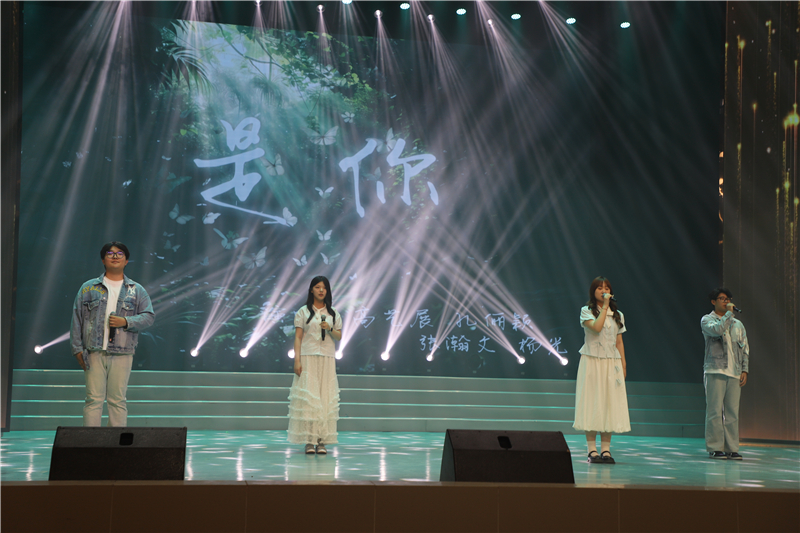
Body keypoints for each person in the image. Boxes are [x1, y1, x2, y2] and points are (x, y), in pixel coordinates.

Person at [70, 242, 155, 427]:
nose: (115, 256)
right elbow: (77, 318)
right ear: (103, 260)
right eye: (110, 253)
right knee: (93, 399)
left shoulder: (136, 289)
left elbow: (149, 317)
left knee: (117, 400)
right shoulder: (88, 288)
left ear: (126, 260)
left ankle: (116, 443)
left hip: (123, 352)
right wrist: (77, 348)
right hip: (93, 351)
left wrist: (125, 321)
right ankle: (91, 441)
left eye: (120, 253)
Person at [573, 276, 630, 464]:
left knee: (609, 403)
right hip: (592, 361)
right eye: (599, 288)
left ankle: (606, 449)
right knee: (592, 402)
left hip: (611, 362)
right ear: (593, 291)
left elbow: (619, 342)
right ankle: (592, 450)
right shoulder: (586, 311)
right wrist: (605, 306)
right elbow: (597, 328)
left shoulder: (618, 314)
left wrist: (623, 365)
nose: (603, 291)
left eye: (606, 288)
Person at [287, 276, 343, 454]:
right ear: (311, 289)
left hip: (326, 358)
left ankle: (321, 441)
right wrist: (297, 360)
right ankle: (309, 440)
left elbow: (339, 336)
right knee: (309, 399)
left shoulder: (333, 313)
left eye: (324, 288)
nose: (321, 290)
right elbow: (298, 337)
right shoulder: (303, 312)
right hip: (308, 357)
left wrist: (329, 328)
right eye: (317, 287)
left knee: (324, 397)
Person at [701, 288, 749, 460]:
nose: (726, 301)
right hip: (715, 369)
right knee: (714, 411)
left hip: (734, 372)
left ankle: (731, 448)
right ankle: (715, 447)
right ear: (713, 302)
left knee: (732, 412)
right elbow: (717, 330)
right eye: (722, 298)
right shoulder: (707, 320)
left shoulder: (738, 325)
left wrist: (744, 369)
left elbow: (744, 348)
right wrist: (728, 314)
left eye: (728, 298)